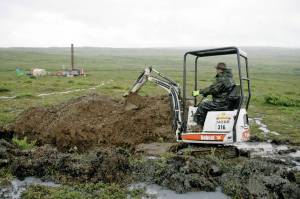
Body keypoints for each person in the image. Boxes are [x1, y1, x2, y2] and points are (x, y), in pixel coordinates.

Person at [192, 62, 235, 130]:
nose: (216, 71)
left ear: (220, 70)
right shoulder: (229, 78)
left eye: (217, 69)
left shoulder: (223, 79)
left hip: (221, 103)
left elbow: (213, 89)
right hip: (226, 102)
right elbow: (216, 89)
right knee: (206, 102)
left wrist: (199, 92)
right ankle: (205, 124)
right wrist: (207, 92)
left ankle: (199, 126)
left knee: (203, 105)